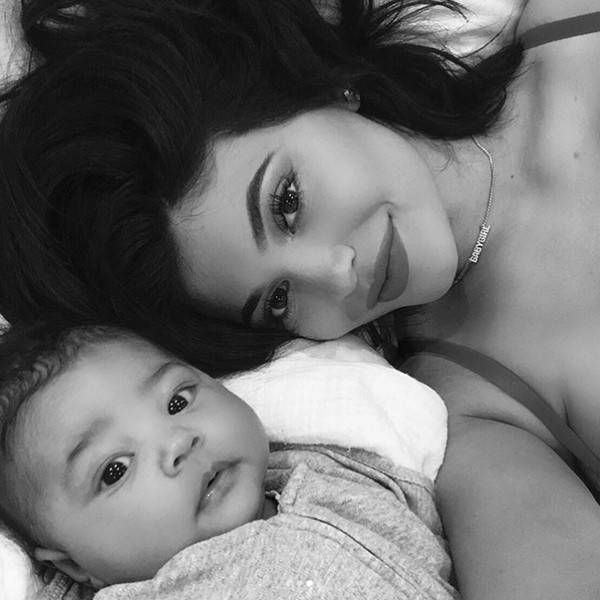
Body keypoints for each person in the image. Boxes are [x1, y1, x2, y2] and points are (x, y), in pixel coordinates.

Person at [2, 0, 600, 597]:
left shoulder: (569, 24)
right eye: (279, 300)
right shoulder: (478, 420)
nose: (338, 276)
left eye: (287, 201)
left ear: (322, 88)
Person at [0, 321, 456, 598]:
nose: (179, 442)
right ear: (76, 567)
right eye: (114, 469)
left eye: (177, 401)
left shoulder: (327, 465)